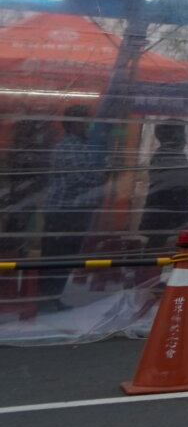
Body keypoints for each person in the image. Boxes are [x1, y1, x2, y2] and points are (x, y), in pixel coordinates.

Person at [42, 105, 105, 301]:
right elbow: (81, 177)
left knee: (65, 257)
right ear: (74, 123)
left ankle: (53, 296)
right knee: (57, 257)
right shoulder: (70, 145)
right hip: (64, 212)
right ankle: (46, 298)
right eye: (86, 120)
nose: (89, 124)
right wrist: (105, 176)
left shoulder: (82, 144)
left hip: (74, 211)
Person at [139, 121, 188, 249]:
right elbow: (178, 178)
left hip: (165, 204)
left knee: (159, 240)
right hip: (168, 205)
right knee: (161, 242)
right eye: (182, 133)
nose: (184, 137)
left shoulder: (166, 153)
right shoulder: (171, 154)